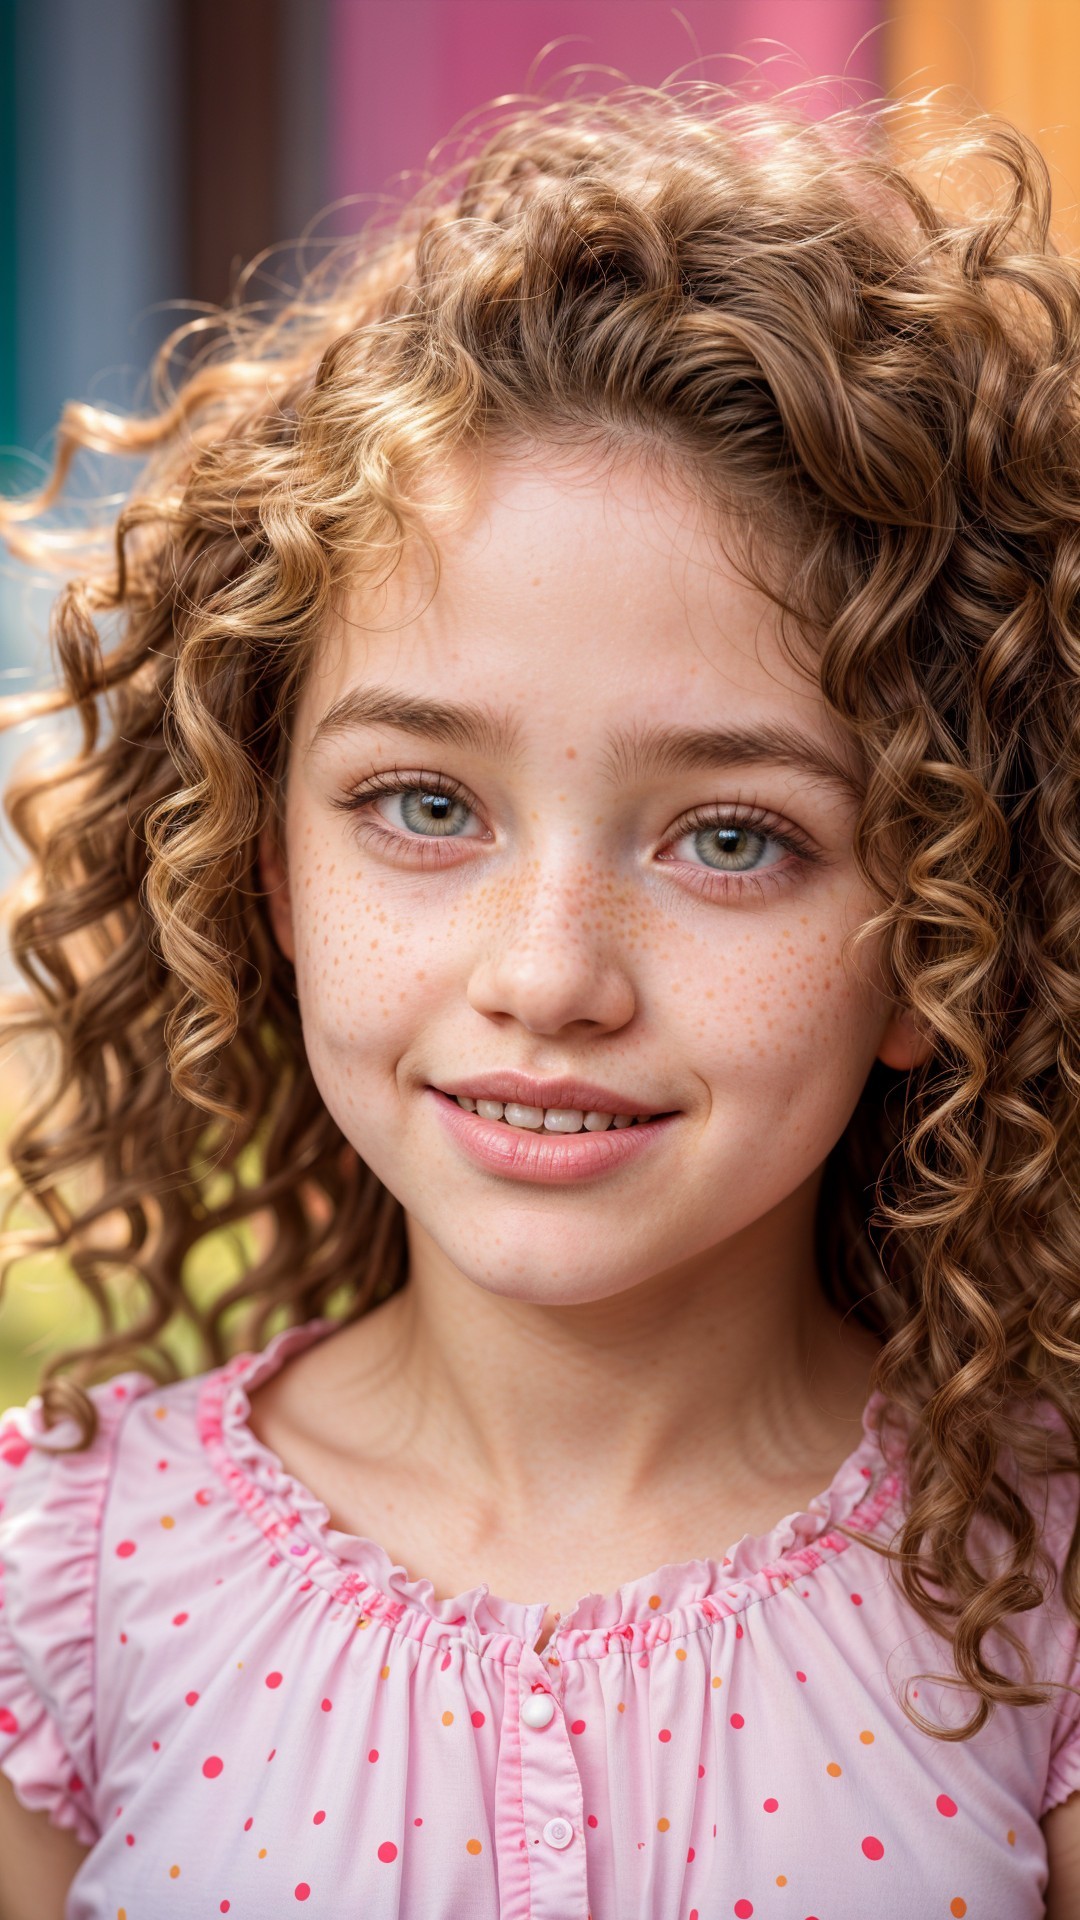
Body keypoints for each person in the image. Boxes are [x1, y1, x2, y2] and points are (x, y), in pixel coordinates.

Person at [0, 79, 1078, 1920]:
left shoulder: (1035, 1589)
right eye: (425, 807)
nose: (550, 977)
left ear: (941, 935)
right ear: (270, 869)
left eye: (734, 839)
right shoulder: (67, 1580)